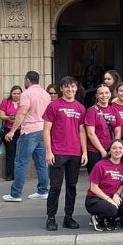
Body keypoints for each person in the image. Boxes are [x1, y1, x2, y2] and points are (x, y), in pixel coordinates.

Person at [43, 76, 87, 231]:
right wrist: (48, 151)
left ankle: (69, 216)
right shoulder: (53, 106)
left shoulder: (80, 108)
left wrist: (84, 152)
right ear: (61, 89)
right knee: (55, 186)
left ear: (76, 88)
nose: (70, 89)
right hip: (58, 152)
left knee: (72, 187)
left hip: (74, 152)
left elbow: (82, 131)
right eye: (67, 87)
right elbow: (46, 129)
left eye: (73, 86)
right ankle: (51, 217)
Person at [3, 71, 51, 203]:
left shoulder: (27, 94)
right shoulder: (45, 94)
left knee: (20, 162)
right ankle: (43, 191)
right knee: (41, 163)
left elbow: (21, 113)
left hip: (29, 131)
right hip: (42, 130)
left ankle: (15, 193)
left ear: (27, 80)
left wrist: (12, 131)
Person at [85, 139, 123, 231]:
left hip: (112, 197)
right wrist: (108, 199)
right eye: (114, 148)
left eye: (120, 148)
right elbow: (94, 188)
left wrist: (116, 195)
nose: (117, 150)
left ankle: (109, 218)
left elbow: (121, 185)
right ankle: (97, 218)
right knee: (112, 209)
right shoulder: (100, 165)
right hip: (95, 199)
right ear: (109, 151)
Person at [84, 84, 120, 174]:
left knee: (109, 179)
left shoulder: (114, 110)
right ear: (96, 96)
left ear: (110, 94)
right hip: (94, 150)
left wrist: (114, 147)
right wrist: (102, 151)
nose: (104, 95)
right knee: (96, 179)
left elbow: (118, 130)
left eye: (106, 93)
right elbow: (90, 133)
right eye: (101, 93)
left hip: (110, 150)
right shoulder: (92, 110)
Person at [0, 85, 22, 181]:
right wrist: (9, 118)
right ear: (11, 94)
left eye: (18, 93)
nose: (16, 95)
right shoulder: (6, 102)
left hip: (21, 130)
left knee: (20, 154)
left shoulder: (24, 102)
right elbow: (1, 115)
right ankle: (10, 174)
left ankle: (19, 175)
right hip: (9, 129)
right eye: (14, 93)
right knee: (10, 153)